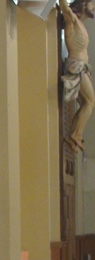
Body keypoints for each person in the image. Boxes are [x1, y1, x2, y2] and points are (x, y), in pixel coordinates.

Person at [60, 0, 95, 152]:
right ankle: (76, 133)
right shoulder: (72, 20)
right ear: (83, 3)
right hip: (76, 66)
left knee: (85, 103)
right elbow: (64, 8)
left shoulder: (82, 26)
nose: (94, 7)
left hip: (83, 68)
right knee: (90, 101)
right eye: (92, 4)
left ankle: (72, 134)